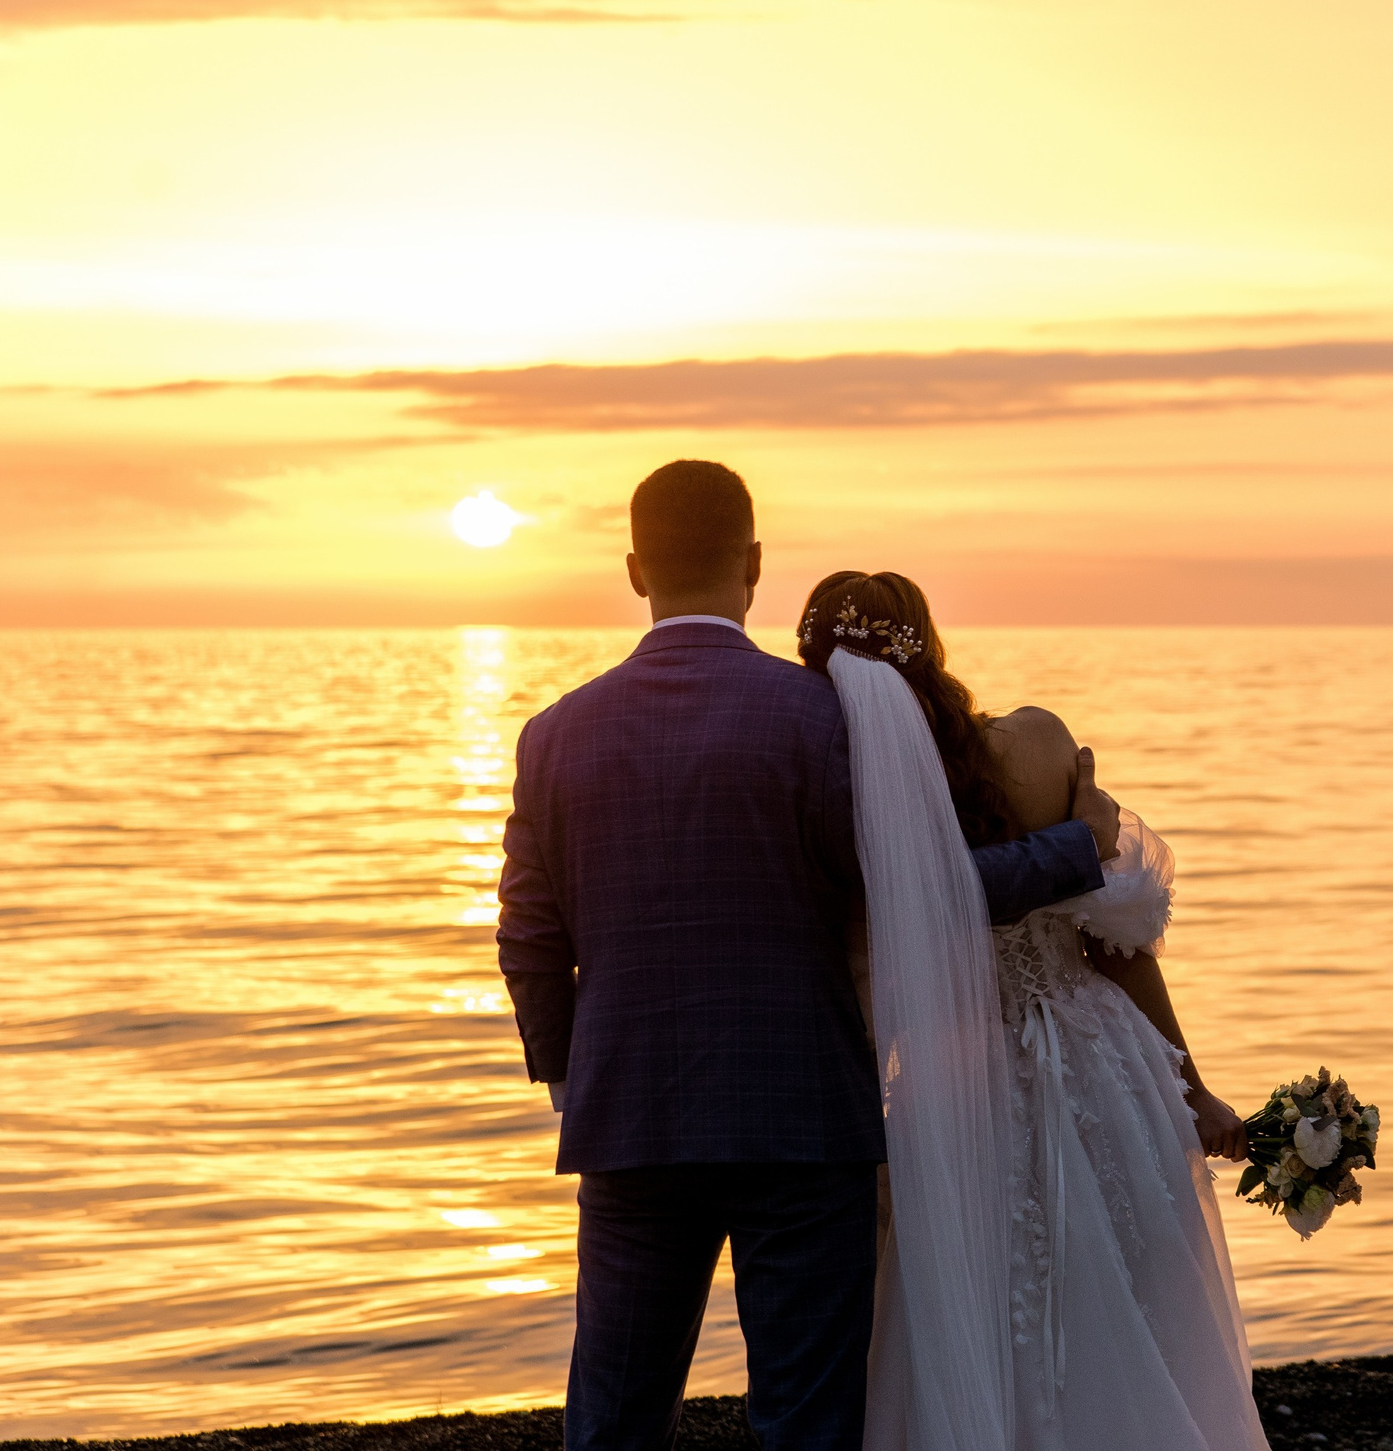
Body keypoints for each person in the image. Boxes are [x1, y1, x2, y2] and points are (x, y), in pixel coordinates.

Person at [494, 460, 1120, 1451]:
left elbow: (528, 938)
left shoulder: (552, 736)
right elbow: (926, 892)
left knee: (612, 1420)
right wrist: (1076, 845)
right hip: (803, 1125)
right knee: (804, 1421)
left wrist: (578, 1079)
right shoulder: (819, 718)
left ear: (632, 570)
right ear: (752, 563)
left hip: (632, 1122)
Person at [802, 570, 1272, 1451]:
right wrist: (1193, 1089)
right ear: (929, 644)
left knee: (980, 1305)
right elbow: (1114, 944)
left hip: (954, 1093)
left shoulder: (844, 791)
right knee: (1139, 1299)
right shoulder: (1037, 744)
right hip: (1101, 1062)